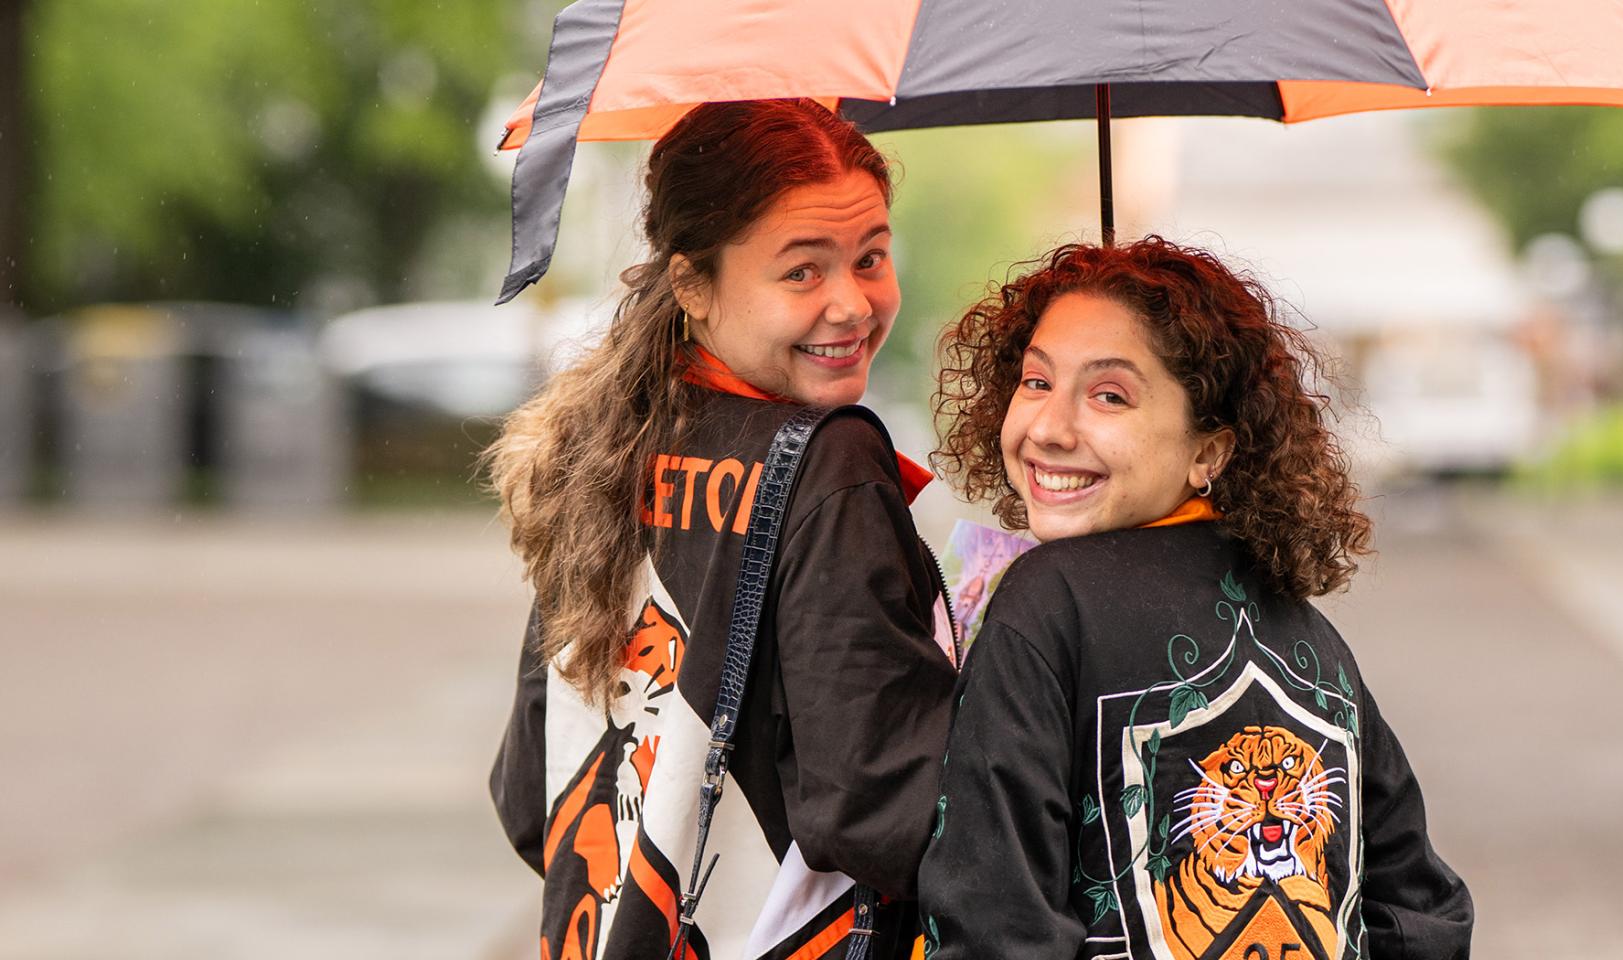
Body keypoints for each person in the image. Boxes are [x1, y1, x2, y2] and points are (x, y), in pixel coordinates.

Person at [485, 99, 957, 960]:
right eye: (802, 272)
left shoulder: (602, 450)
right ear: (692, 285)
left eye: (871, 258)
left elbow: (528, 798)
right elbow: (877, 808)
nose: (852, 303)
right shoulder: (829, 460)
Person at [919, 238, 1473, 959]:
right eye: (1036, 381)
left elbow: (993, 921)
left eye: (1109, 395)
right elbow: (1428, 913)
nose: (1049, 428)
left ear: (1208, 451)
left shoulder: (1047, 602)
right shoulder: (1312, 640)